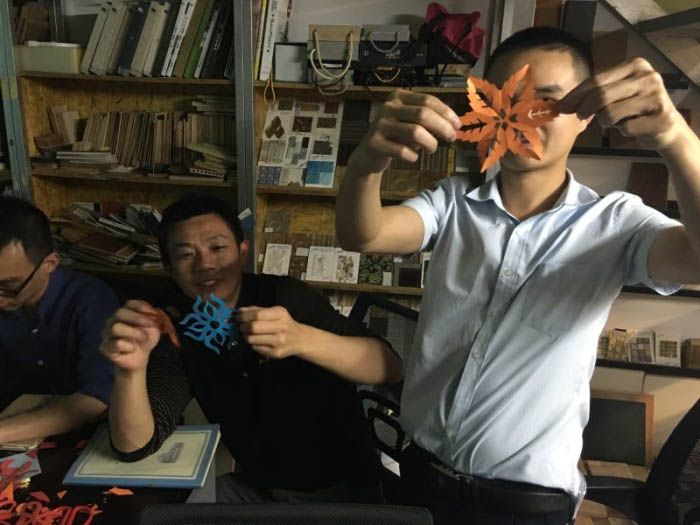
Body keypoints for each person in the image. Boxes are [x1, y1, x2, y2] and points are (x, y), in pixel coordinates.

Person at [335, 26, 700, 524]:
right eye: (505, 100)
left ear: (585, 114)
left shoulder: (616, 223)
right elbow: (365, 234)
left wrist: (675, 138)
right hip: (419, 473)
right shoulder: (453, 203)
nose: (522, 117)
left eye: (546, 101)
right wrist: (366, 164)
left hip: (525, 503)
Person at [100, 194, 403, 503]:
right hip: (257, 488)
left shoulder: (284, 296)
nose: (205, 264)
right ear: (170, 268)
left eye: (218, 248)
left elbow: (389, 367)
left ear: (242, 252)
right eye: (186, 255)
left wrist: (301, 338)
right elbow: (134, 446)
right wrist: (130, 370)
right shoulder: (178, 326)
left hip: (344, 487)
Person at [0, 196, 118, 444]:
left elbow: (95, 399)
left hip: (88, 439)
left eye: (7, 287)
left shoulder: (91, 300)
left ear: (49, 264)